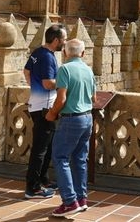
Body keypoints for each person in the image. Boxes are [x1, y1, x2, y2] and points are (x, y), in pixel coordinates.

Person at [46, 37, 96, 218]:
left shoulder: (65, 69)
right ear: (83, 53)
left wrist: (52, 113)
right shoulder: (88, 70)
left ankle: (69, 202)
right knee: (80, 159)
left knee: (60, 158)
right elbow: (94, 99)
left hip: (71, 119)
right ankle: (82, 200)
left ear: (65, 53)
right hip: (87, 118)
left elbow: (61, 99)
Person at [23, 23, 67, 200]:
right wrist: (65, 82)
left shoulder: (37, 52)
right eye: (63, 39)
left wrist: (33, 87)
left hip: (37, 104)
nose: (64, 42)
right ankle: (32, 188)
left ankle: (43, 180)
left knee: (47, 146)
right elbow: (48, 83)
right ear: (56, 40)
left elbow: (26, 71)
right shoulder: (48, 57)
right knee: (40, 150)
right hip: (44, 108)